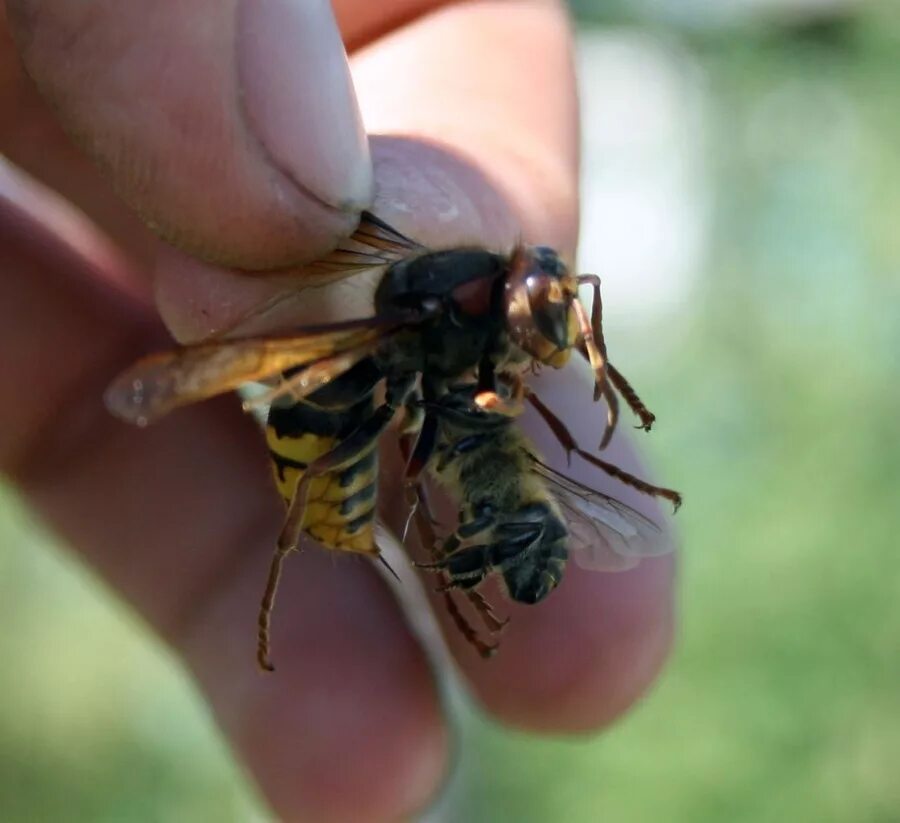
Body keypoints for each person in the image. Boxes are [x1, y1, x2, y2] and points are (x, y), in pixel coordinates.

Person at [0, 2, 676, 820]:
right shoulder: (440, 314)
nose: (553, 336)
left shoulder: (485, 321)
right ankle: (292, 574)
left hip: (378, 369)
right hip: (335, 399)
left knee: (498, 476)